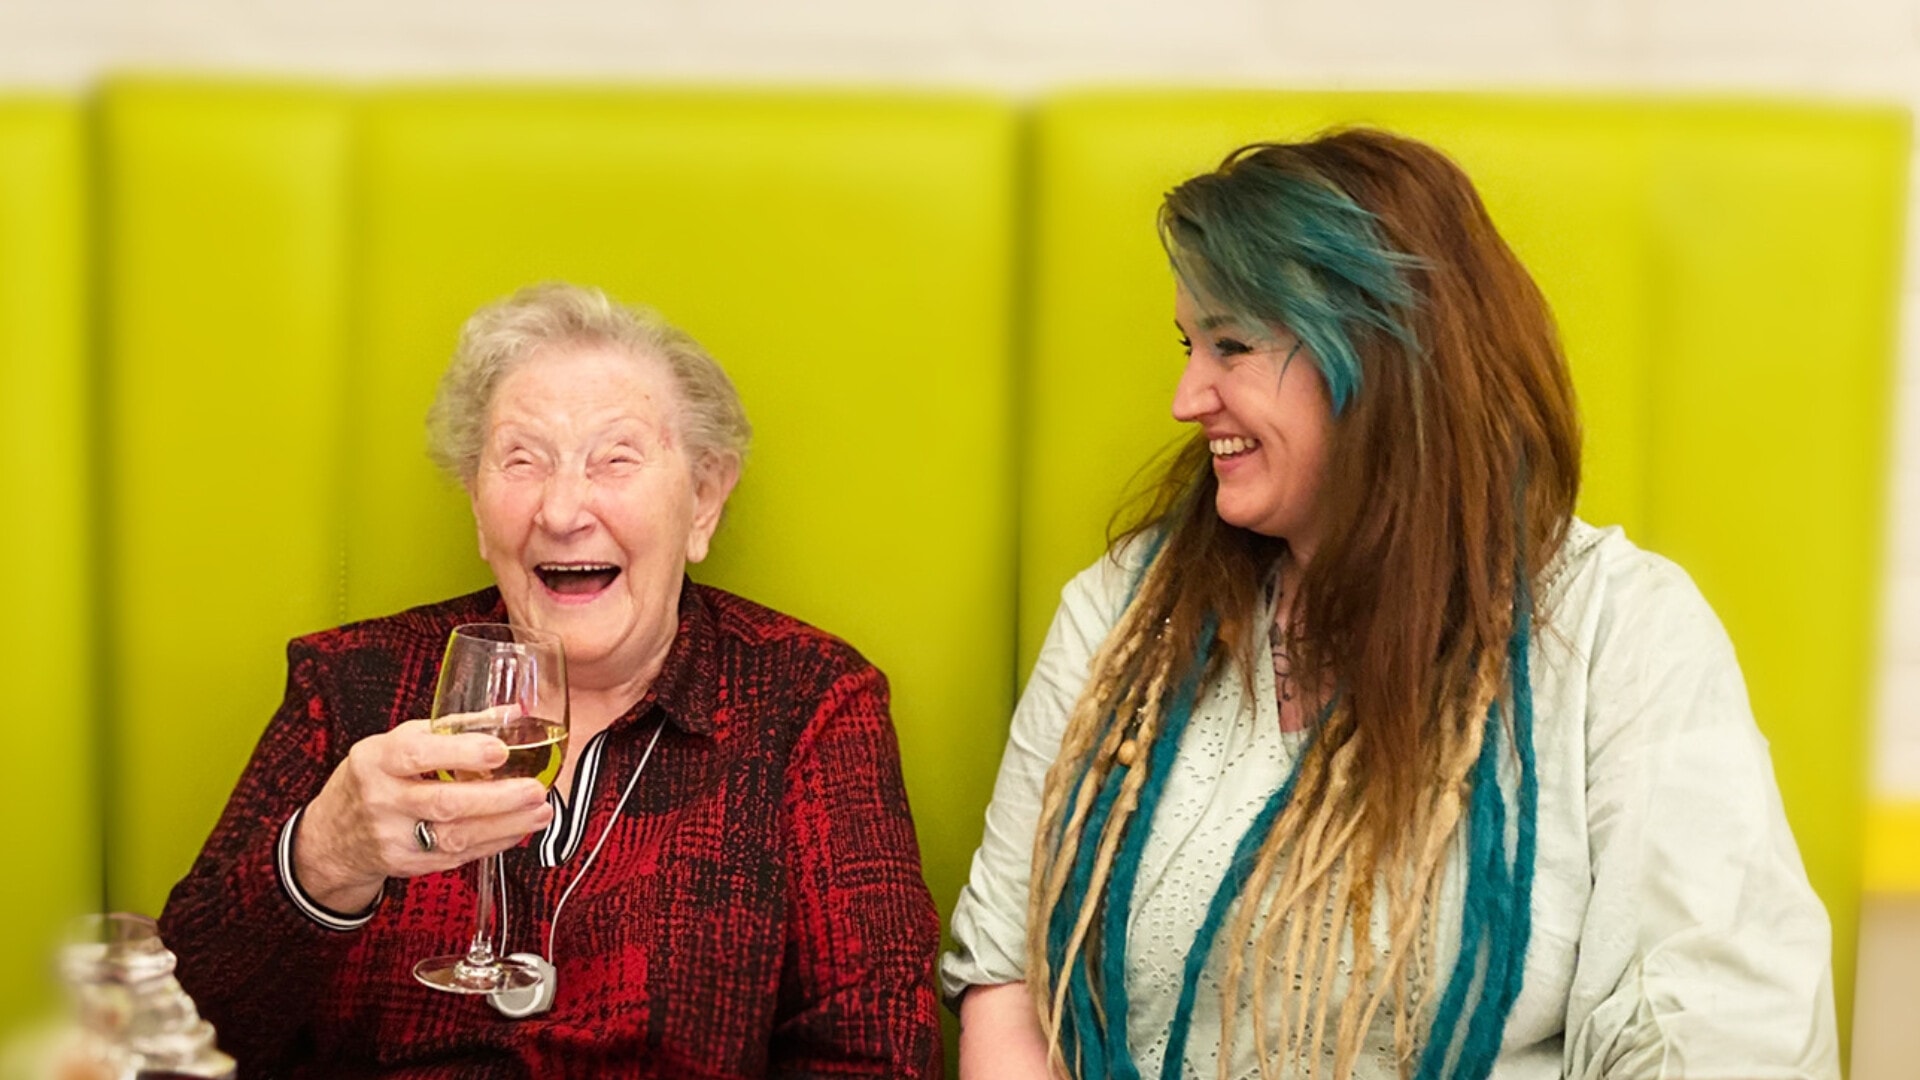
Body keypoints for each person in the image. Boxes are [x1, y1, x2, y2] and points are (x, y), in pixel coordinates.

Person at [942, 130, 1838, 1079]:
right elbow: (1007, 976)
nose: (1186, 397)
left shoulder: (1622, 632)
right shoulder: (1124, 614)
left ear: (1378, 361)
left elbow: (1727, 1033)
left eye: (1231, 346)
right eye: (1188, 344)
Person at [159, 283, 944, 1078]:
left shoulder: (807, 701)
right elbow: (176, 1036)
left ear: (704, 500)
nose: (563, 511)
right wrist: (324, 859)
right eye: (522, 461)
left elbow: (875, 1055)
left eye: (616, 459)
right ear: (477, 505)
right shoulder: (354, 682)